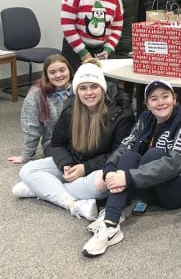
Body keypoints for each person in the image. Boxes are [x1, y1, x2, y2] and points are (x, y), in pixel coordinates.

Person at [82, 79, 181, 257]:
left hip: (179, 190)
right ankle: (111, 222)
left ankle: (112, 213)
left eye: (165, 96)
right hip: (148, 188)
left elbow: (176, 163)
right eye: (154, 99)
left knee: (154, 155)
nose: (161, 102)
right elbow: (127, 144)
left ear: (174, 99)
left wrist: (128, 178)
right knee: (129, 156)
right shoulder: (146, 118)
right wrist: (109, 166)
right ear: (147, 104)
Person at [12, 60, 135, 221]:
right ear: (77, 90)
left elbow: (118, 154)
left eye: (94, 87)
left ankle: (38, 189)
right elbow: (57, 144)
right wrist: (66, 164)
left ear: (102, 89)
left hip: (98, 168)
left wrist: (85, 168)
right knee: (27, 170)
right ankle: (73, 204)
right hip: (73, 161)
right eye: (83, 88)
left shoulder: (121, 115)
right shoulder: (70, 112)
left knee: (102, 184)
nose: (88, 92)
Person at [8, 54, 74, 165]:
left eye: (62, 70)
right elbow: (31, 126)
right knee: (67, 161)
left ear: (69, 71)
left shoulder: (80, 88)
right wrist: (26, 156)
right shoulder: (36, 93)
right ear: (46, 75)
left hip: (81, 139)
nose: (58, 75)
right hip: (54, 142)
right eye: (52, 72)